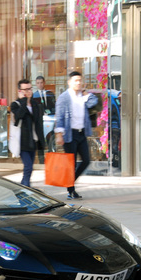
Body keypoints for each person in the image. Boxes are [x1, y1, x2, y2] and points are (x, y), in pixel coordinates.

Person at [54, 71, 99, 200]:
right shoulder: (64, 97)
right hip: (70, 134)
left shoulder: (83, 96)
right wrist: (59, 134)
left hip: (81, 133)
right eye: (75, 80)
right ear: (69, 82)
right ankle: (71, 191)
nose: (78, 83)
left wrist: (85, 93)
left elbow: (93, 102)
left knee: (86, 160)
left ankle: (70, 182)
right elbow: (60, 116)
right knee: (71, 164)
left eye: (80, 80)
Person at [10, 79, 46, 187]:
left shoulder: (35, 104)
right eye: (25, 89)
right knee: (28, 166)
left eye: (30, 88)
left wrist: (42, 141)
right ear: (19, 91)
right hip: (22, 141)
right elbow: (17, 118)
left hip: (33, 140)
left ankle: (22, 188)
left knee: (29, 168)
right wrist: (23, 102)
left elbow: (38, 122)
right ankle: (26, 188)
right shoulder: (15, 105)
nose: (28, 91)